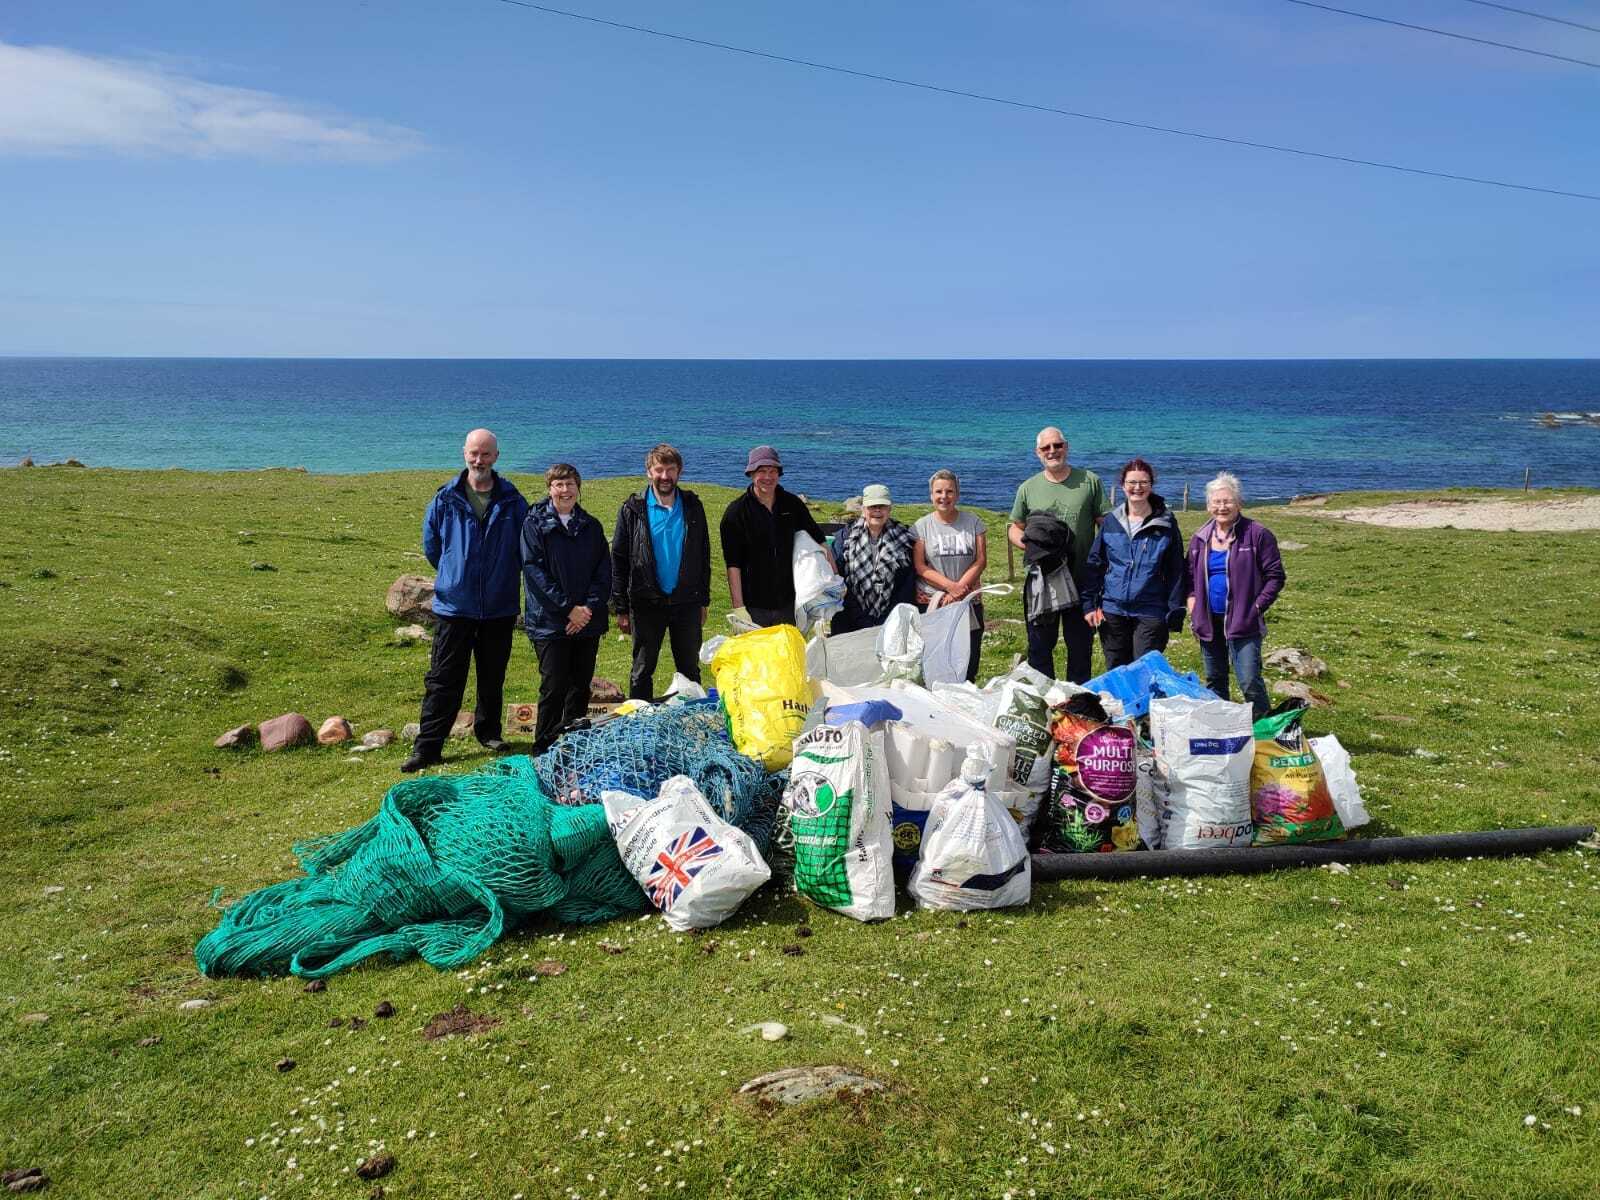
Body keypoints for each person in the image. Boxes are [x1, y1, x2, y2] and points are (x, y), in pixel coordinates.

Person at [403, 428, 529, 773]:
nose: (479, 460)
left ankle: (488, 733)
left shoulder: (514, 501)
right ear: (464, 454)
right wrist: (453, 574)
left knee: (492, 675)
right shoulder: (445, 498)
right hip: (454, 607)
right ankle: (428, 746)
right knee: (443, 678)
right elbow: (433, 546)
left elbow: (526, 549)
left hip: (499, 606)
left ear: (496, 457)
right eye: (474, 453)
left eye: (486, 454)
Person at [521, 463, 611, 754]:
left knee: (580, 685)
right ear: (549, 489)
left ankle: (574, 747)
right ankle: (543, 747)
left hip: (586, 622)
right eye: (558, 485)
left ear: (578, 488)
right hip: (549, 622)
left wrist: (586, 610)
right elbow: (534, 571)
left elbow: (603, 572)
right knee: (554, 685)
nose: (565, 490)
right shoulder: (534, 525)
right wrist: (567, 609)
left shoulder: (591, 526)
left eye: (570, 484)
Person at [1007, 426, 1109, 683]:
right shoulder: (1028, 488)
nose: (1052, 451)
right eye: (1046, 448)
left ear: (1067, 447)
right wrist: (1031, 547)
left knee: (1080, 648)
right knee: (1040, 647)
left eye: (1057, 445)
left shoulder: (1089, 481)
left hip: (1081, 579)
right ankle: (1045, 702)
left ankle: (1077, 706)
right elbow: (1013, 527)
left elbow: (1105, 523)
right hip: (1042, 581)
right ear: (1037, 453)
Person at [610, 444, 711, 700]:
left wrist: (703, 600)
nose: (664, 476)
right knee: (642, 669)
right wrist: (621, 608)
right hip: (645, 602)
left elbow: (703, 554)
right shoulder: (632, 509)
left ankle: (690, 723)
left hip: (686, 601)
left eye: (671, 470)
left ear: (679, 472)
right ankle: (639, 725)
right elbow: (619, 560)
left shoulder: (692, 505)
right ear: (648, 472)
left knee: (689, 668)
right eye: (659, 470)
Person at [1185, 472, 1285, 720]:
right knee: (1215, 679)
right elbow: (1188, 578)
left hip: (1244, 621)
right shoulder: (1200, 538)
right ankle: (1224, 728)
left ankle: (1264, 730)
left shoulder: (1257, 534)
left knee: (1249, 680)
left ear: (1239, 503)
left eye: (1227, 501)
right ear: (1208, 506)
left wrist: (1257, 607)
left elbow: (1275, 576)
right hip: (1208, 621)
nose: (1222, 507)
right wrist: (1192, 603)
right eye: (1216, 502)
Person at [1083, 458, 1187, 671]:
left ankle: (1143, 706)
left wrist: (1175, 609)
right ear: (1123, 486)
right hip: (1113, 608)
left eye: (1143, 482)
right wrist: (1090, 604)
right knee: (1117, 669)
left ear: (1151, 485)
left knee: (1144, 669)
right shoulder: (1111, 521)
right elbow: (1096, 563)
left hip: (1150, 609)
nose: (1137, 487)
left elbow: (1176, 569)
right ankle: (1120, 705)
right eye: (1132, 482)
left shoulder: (1165, 523)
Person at [719, 444, 830, 628]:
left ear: (779, 474)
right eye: (762, 471)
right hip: (754, 607)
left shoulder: (792, 504)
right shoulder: (736, 513)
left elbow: (820, 541)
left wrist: (833, 580)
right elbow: (733, 565)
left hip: (790, 604)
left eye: (773, 471)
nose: (768, 477)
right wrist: (739, 607)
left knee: (788, 656)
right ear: (751, 474)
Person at [913, 469, 988, 682]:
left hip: (968, 601)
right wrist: (949, 587)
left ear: (957, 494)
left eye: (949, 491)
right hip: (934, 602)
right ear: (931, 495)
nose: (944, 497)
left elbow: (981, 560)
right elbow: (920, 565)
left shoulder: (974, 523)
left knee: (969, 659)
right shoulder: (921, 526)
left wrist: (959, 590)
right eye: (938, 492)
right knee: (935, 659)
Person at [830, 483, 918, 634]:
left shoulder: (904, 540)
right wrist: (861, 618)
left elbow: (906, 586)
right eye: (872, 506)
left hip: (891, 622)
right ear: (863, 509)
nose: (877, 510)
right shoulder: (844, 539)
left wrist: (885, 620)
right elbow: (837, 580)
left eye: (882, 506)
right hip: (848, 619)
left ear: (889, 509)